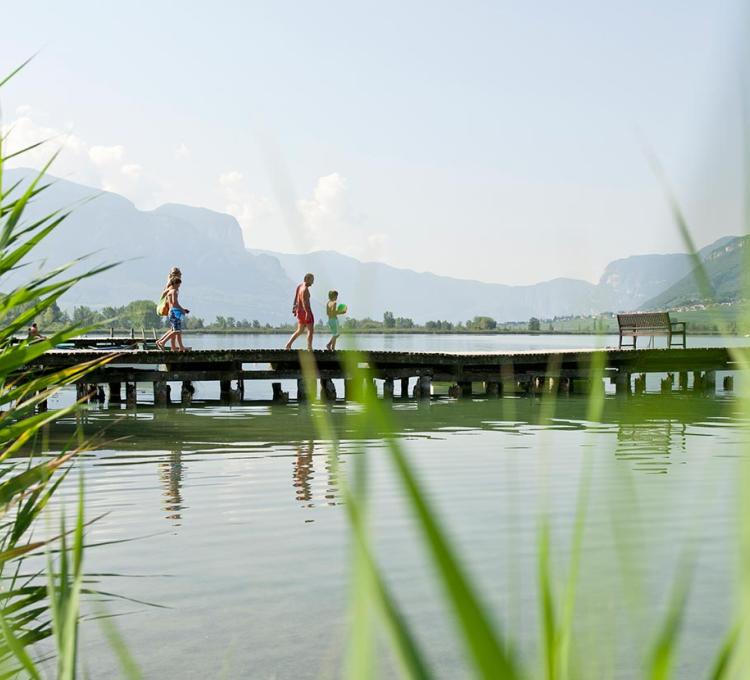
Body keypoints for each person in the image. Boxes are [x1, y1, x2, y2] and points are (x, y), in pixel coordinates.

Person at [156, 278, 190, 351]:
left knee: (174, 330)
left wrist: (182, 309)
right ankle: (162, 342)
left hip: (171, 312)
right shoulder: (174, 291)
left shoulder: (169, 291)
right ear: (174, 284)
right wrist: (182, 310)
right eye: (178, 284)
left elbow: (171, 302)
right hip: (174, 312)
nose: (179, 286)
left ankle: (180, 347)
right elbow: (175, 303)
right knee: (177, 331)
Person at [284, 273, 315, 351]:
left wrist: (294, 307)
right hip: (306, 311)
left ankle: (288, 344)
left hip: (299, 311)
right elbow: (305, 302)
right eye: (311, 280)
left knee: (300, 330)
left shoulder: (299, 286)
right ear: (306, 279)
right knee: (310, 330)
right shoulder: (305, 289)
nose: (312, 282)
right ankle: (309, 348)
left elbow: (296, 297)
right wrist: (307, 313)